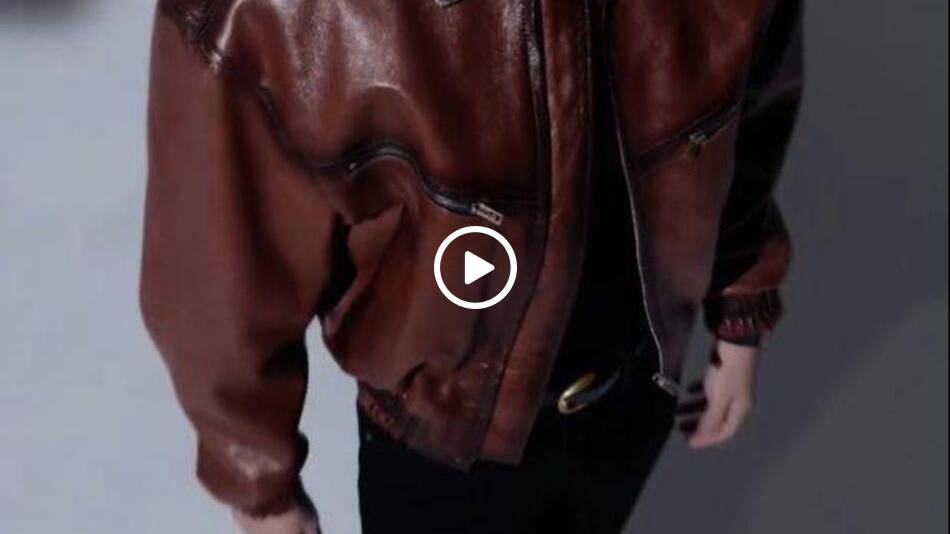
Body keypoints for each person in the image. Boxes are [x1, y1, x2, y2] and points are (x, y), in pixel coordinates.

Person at [140, 1, 803, 533]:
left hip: (637, 389)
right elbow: (222, 243)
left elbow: (749, 88)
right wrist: (257, 479)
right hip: (446, 446)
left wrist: (741, 298)